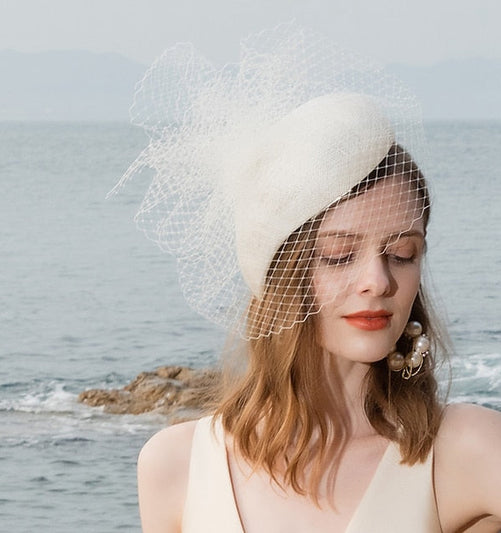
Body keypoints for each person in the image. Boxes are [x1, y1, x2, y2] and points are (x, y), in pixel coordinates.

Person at [118, 25, 501, 533]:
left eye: (403, 253)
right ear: (281, 275)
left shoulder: (467, 449)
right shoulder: (175, 465)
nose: (378, 281)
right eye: (340, 255)